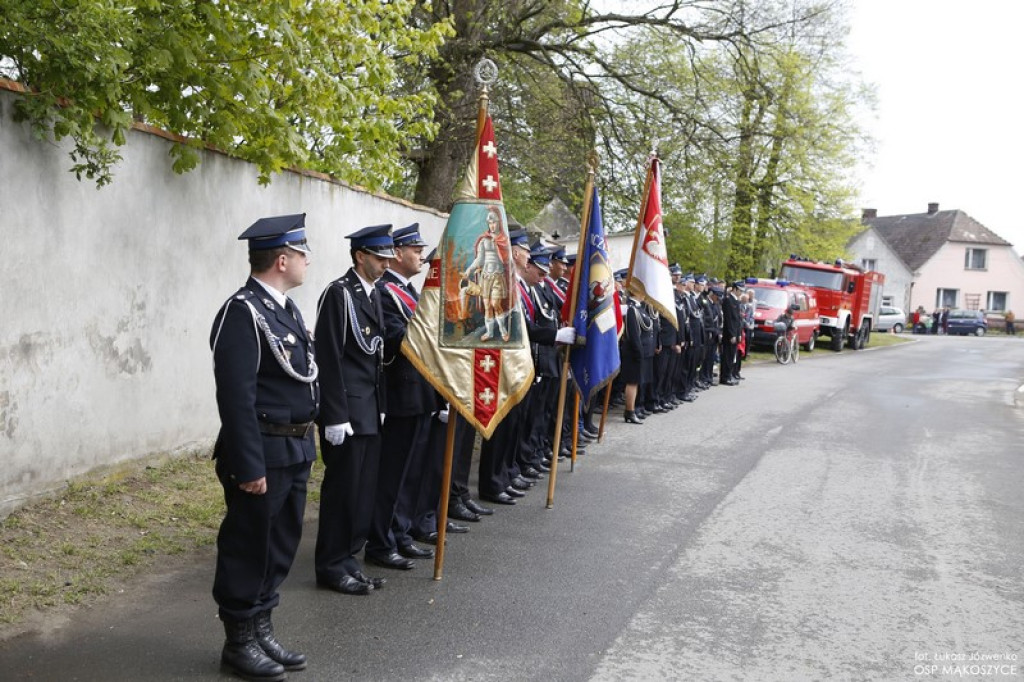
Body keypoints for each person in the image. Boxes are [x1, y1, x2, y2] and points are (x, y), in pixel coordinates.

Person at [210, 213, 318, 680]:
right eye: (301, 253)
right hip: (262, 451)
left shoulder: (285, 309)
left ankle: (261, 626)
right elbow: (236, 397)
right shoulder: (243, 311)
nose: (307, 260)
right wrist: (248, 465)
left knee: (279, 545)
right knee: (249, 545)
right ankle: (238, 642)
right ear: (281, 259)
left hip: (293, 449)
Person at [314, 224, 395, 596]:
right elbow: (328, 357)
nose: (385, 264)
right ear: (360, 256)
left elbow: (376, 355)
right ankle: (332, 565)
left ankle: (350, 560)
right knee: (343, 493)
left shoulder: (373, 293)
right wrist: (333, 414)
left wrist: (380, 404)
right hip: (346, 411)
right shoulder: (339, 294)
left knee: (363, 492)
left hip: (369, 409)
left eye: (387, 258)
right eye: (380, 258)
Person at [365, 223, 438, 572]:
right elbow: (397, 338)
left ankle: (402, 531)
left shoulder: (409, 291)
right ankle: (382, 539)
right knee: (393, 473)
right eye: (415, 249)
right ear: (397, 253)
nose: (421, 255)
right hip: (400, 393)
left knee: (413, 472)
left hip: (420, 392)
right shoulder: (385, 292)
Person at [463, 206, 511, 342]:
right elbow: (479, 259)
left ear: (499, 222)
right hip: (485, 276)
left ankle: (503, 331)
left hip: (498, 275)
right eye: (490, 223)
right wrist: (469, 270)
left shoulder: (504, 240)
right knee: (487, 306)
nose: (492, 225)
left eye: (494, 222)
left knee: (496, 304)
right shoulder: (484, 240)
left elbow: (508, 259)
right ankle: (489, 333)